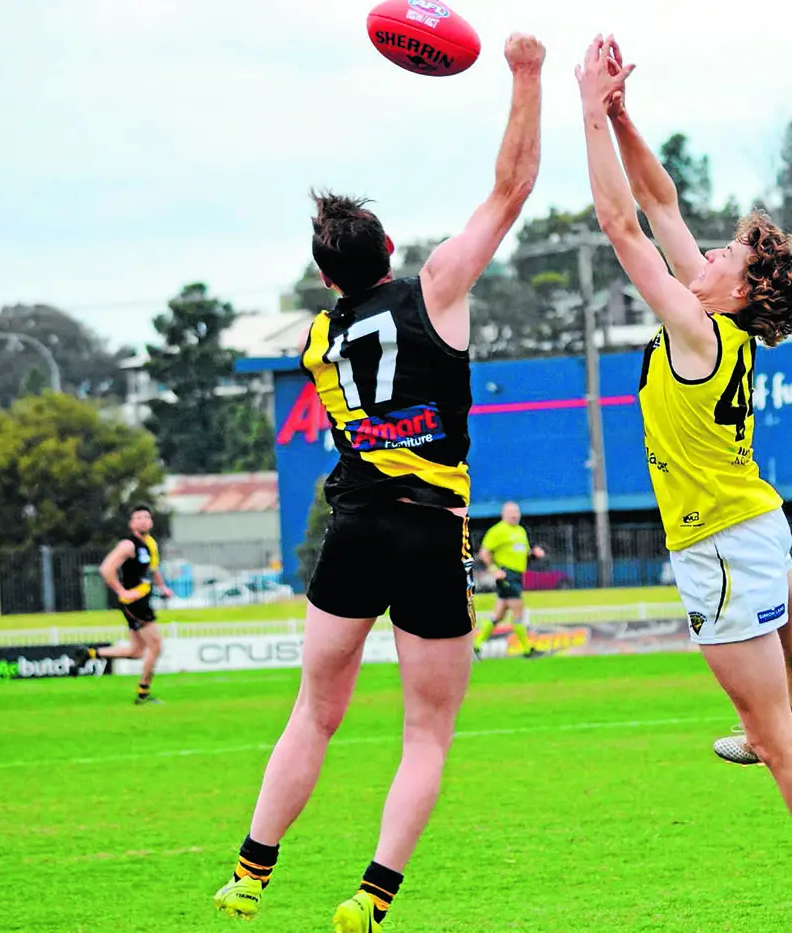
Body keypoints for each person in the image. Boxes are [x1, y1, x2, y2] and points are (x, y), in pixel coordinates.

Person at [212, 33, 544, 932]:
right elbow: (512, 189)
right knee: (426, 732)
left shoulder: (317, 341)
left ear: (326, 277)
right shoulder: (434, 287)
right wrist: (524, 74)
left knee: (315, 712)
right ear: (392, 249)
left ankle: (250, 872)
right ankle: (370, 896)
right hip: (432, 529)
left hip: (352, 526)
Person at [576, 35, 792, 931]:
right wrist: (628, 118)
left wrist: (587, 112)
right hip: (756, 521)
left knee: (768, 735)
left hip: (715, 538)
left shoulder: (697, 327)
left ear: (739, 288)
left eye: (722, 255)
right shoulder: (722, 325)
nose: (706, 251)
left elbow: (620, 222)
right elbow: (661, 202)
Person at [711, 566, 792, 765]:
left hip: (724, 542)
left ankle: (765, 736)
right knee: (788, 634)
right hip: (764, 541)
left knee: (734, 639)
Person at [76, 504, 173, 705]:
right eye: (138, 518)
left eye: (146, 517)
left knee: (137, 652)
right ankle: (143, 694)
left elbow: (153, 569)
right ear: (131, 523)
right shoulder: (128, 545)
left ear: (151, 522)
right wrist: (121, 591)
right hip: (135, 603)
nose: (143, 520)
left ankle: (91, 654)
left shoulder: (150, 544)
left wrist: (163, 587)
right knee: (156, 647)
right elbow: (106, 569)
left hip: (142, 599)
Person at [473, 501, 547, 659]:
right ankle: (527, 650)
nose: (515, 515)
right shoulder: (497, 531)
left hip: (518, 575)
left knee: (498, 615)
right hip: (507, 576)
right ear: (503, 514)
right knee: (518, 612)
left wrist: (534, 554)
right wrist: (494, 570)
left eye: (517, 512)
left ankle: (476, 646)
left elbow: (524, 553)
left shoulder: (520, 531)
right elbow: (484, 553)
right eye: (511, 512)